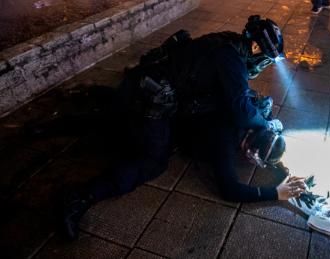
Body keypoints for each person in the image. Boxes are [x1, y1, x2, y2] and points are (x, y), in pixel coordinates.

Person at [61, 15, 307, 240]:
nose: (264, 65)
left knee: (115, 119)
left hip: (145, 84)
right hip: (152, 98)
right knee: (154, 161)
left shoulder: (228, 45)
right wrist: (268, 126)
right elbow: (242, 109)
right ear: (256, 48)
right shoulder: (232, 61)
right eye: (266, 59)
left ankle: (65, 118)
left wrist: (276, 151)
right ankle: (78, 198)